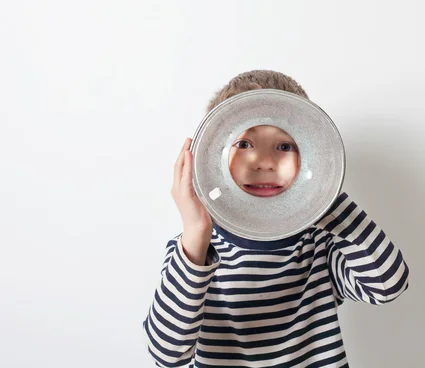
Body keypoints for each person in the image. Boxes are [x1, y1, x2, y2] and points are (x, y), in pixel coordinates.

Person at [142, 70, 410, 367]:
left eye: (284, 146)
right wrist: (195, 230)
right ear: (211, 156)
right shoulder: (196, 252)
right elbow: (167, 354)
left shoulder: (319, 247)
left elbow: (387, 285)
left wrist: (322, 194)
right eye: (244, 144)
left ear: (310, 154)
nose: (265, 163)